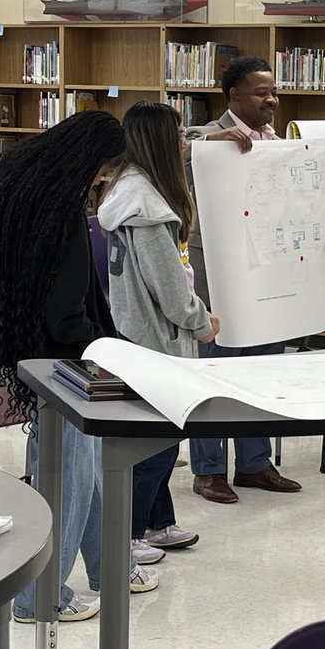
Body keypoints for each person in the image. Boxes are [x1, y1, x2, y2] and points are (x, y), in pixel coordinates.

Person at [0, 110, 156, 623]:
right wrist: (111, 352)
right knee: (68, 478)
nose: (103, 181)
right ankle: (39, 596)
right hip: (66, 363)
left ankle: (109, 568)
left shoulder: (17, 193)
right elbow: (66, 315)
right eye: (104, 171)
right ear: (88, 161)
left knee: (86, 469)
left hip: (35, 355)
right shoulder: (61, 217)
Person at [98, 101, 215, 563]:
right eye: (180, 134)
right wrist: (202, 321)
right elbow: (170, 290)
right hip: (158, 339)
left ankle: (158, 522)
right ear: (162, 142)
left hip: (135, 331)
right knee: (159, 441)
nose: (186, 140)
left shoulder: (127, 191)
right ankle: (126, 532)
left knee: (162, 435)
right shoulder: (149, 210)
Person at [183, 56, 301, 503]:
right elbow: (174, 148)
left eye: (274, 92)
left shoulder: (276, 139)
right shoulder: (206, 136)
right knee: (214, 364)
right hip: (219, 269)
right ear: (233, 96)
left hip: (267, 267)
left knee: (262, 367)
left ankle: (255, 463)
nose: (272, 100)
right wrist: (214, 139)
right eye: (261, 92)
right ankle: (208, 469)